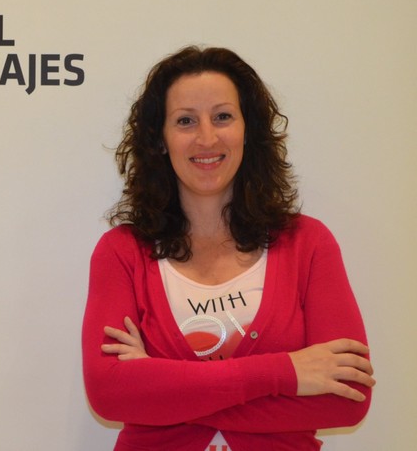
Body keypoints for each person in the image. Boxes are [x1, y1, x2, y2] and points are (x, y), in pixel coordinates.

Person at [81, 46, 374, 451]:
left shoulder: (308, 244)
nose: (206, 137)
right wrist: (286, 372)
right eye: (185, 120)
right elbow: (109, 394)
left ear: (247, 130)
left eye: (222, 116)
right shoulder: (122, 252)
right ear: (160, 140)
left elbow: (348, 397)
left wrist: (160, 388)